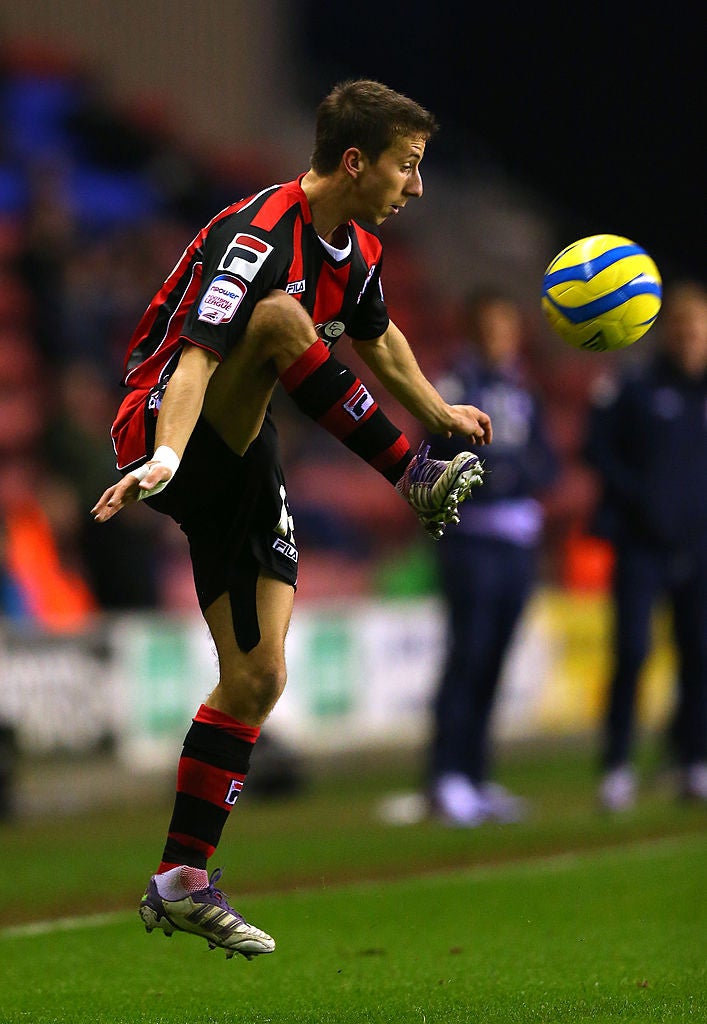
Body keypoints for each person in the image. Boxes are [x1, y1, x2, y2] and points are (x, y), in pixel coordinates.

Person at [91, 79, 492, 960]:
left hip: (242, 447)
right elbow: (199, 353)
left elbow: (376, 336)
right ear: (356, 162)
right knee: (278, 318)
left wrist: (437, 410)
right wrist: (159, 457)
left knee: (259, 678)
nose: (415, 186)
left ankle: (182, 880)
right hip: (173, 420)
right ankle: (413, 480)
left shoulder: (359, 249)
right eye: (406, 166)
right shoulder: (260, 232)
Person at [425, 289, 558, 825]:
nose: (500, 337)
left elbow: (546, 460)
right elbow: (436, 453)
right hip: (471, 538)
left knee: (496, 658)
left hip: (517, 541)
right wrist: (501, 475)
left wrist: (516, 474)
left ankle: (476, 776)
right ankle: (445, 776)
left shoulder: (523, 388)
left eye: (507, 326)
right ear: (472, 331)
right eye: (490, 326)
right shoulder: (454, 386)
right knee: (468, 654)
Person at [584, 280, 707, 811]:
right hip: (640, 546)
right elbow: (596, 451)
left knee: (700, 656)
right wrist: (642, 502)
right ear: (664, 331)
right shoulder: (633, 387)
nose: (687, 337)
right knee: (632, 653)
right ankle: (616, 767)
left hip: (700, 547)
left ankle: (694, 761)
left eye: (696, 327)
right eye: (679, 326)